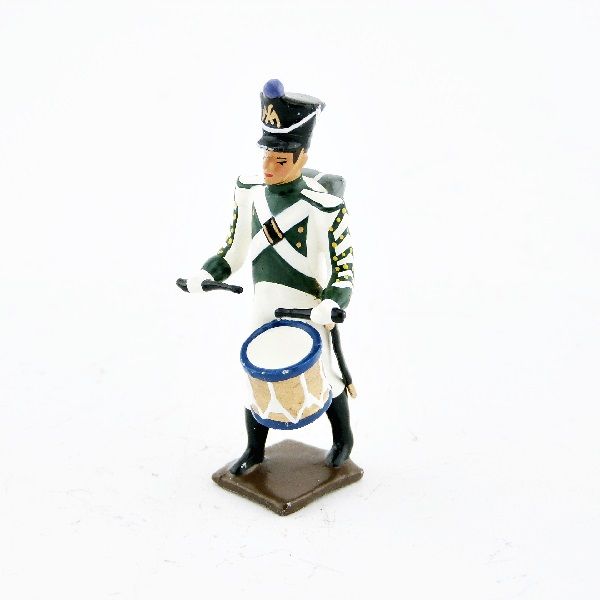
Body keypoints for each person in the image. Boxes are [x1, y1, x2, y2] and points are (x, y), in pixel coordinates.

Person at [178, 79, 355, 475]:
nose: (268, 168)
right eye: (267, 156)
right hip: (263, 306)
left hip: (308, 307)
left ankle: (343, 438)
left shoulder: (324, 208)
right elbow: (233, 250)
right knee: (255, 376)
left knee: (326, 374)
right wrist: (205, 274)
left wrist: (331, 303)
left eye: (281, 160)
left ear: (302, 157)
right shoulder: (249, 192)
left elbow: (344, 271)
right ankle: (255, 450)